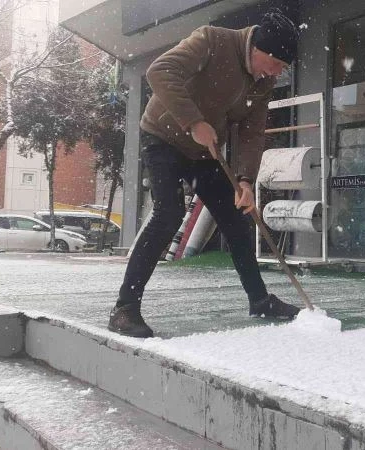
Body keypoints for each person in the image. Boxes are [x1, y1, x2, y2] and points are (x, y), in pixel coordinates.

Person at [108, 10, 301, 338]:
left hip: (203, 152)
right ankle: (124, 308)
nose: (278, 72)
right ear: (260, 50)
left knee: (236, 217)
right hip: (164, 136)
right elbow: (160, 72)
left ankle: (260, 301)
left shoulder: (263, 81)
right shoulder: (212, 41)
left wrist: (244, 180)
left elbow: (252, 132)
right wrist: (194, 121)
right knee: (169, 213)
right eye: (278, 64)